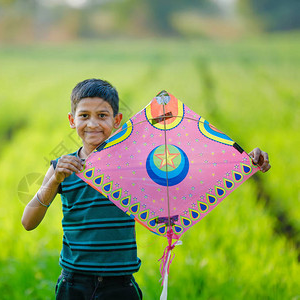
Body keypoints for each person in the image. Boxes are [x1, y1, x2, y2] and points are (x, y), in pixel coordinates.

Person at [21, 79, 271, 300]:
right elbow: (28, 222)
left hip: (119, 285)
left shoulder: (134, 166)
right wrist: (54, 180)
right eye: (84, 116)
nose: (93, 124)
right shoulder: (62, 168)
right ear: (71, 120)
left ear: (117, 121)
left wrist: (244, 162)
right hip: (73, 284)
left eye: (102, 115)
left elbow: (192, 176)